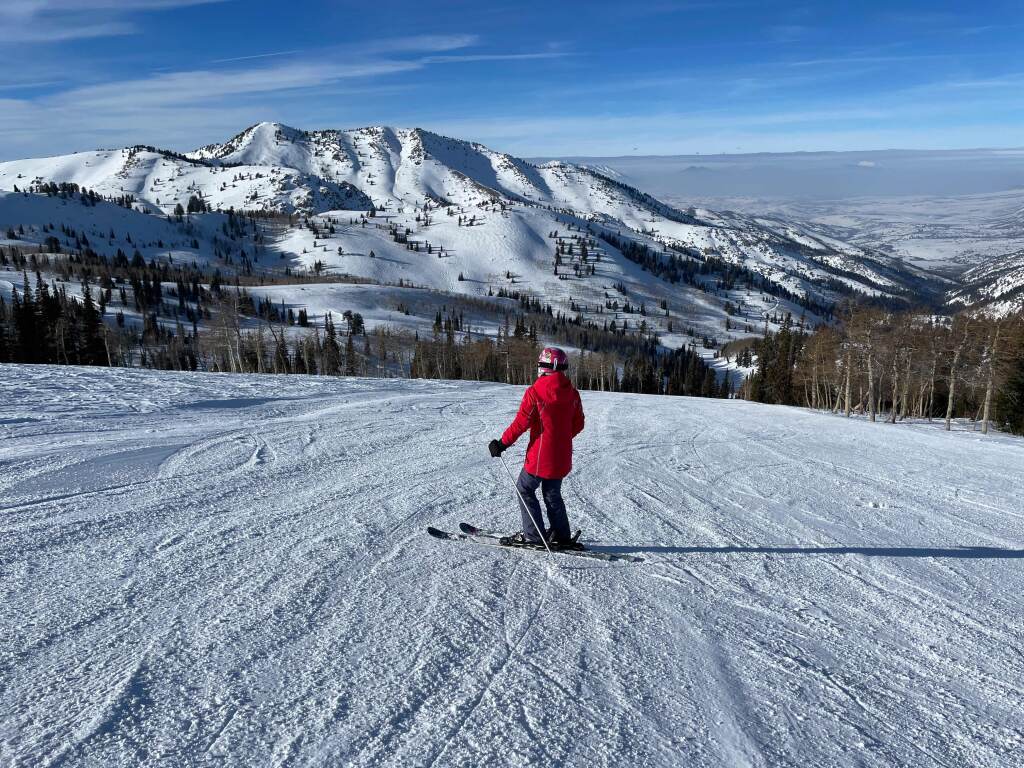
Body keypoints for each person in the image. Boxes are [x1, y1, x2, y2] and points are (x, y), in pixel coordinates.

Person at [488, 347, 585, 549]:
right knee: (552, 494)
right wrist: (560, 438)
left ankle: (534, 535)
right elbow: (578, 423)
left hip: (540, 458)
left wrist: (502, 443)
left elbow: (521, 423)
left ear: (544, 367)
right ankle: (561, 535)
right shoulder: (573, 393)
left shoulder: (535, 392)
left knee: (524, 489)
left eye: (540, 365)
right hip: (561, 457)